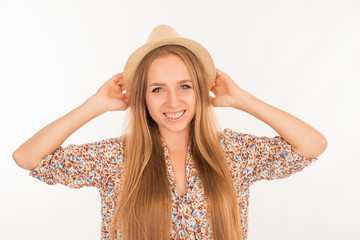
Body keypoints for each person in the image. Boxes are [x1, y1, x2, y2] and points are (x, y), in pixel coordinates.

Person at [12, 25, 327, 240]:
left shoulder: (233, 152)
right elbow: (27, 157)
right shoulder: (114, 158)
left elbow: (312, 145)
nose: (173, 101)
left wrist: (242, 99)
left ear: (200, 91)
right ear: (143, 97)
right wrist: (94, 105)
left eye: (185, 86)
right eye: (158, 89)